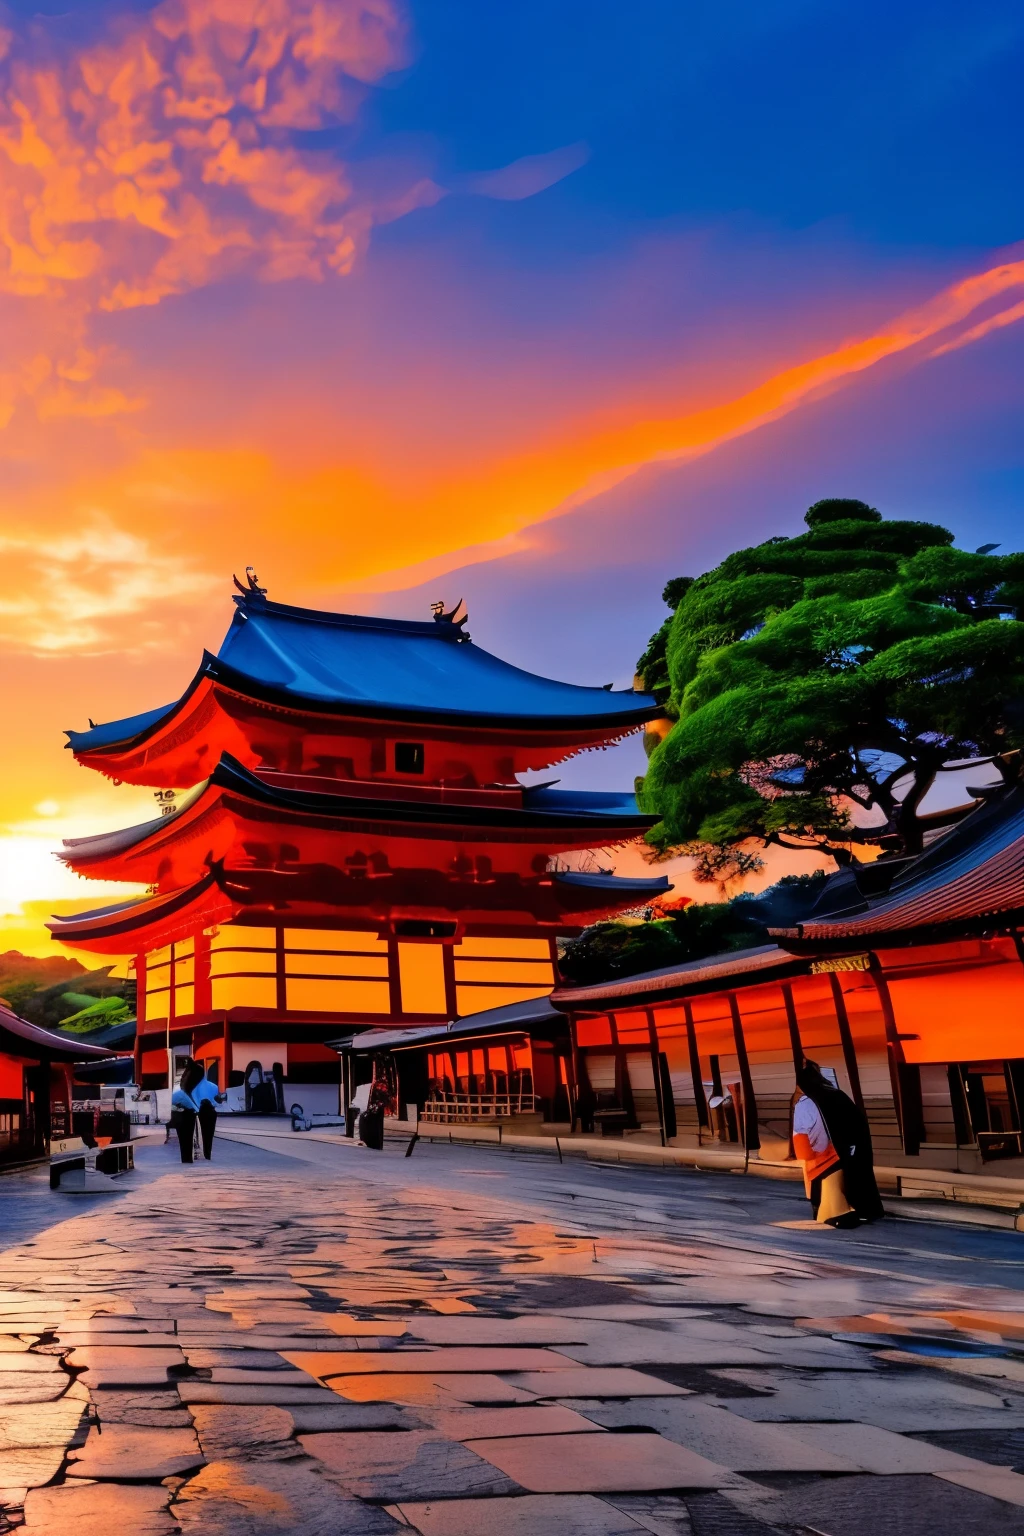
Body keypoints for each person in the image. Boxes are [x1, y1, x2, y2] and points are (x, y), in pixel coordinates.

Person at [797, 1058, 885, 1223]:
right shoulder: (834, 1094)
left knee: (831, 1183)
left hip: (834, 1152)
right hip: (848, 1147)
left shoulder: (812, 1099)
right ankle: (861, 1209)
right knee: (854, 1179)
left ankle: (837, 1211)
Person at [190, 1063, 227, 1161]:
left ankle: (203, 1152)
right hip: (211, 1111)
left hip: (200, 1112)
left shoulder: (194, 1087)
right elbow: (218, 1101)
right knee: (210, 1133)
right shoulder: (214, 1086)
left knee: (201, 1132)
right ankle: (208, 1153)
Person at [170, 1063, 200, 1164]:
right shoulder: (193, 1076)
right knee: (187, 1138)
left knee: (185, 1139)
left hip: (185, 1112)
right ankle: (187, 1158)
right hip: (187, 1112)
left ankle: (187, 1158)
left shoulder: (183, 1087)